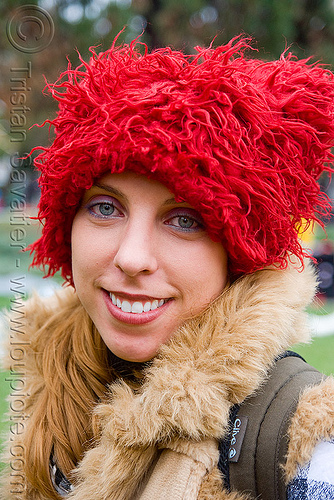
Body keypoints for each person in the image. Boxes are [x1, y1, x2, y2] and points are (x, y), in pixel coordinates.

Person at [1, 35, 334, 500]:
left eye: (184, 219)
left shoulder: (304, 442)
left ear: (238, 252)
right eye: (104, 208)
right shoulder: (49, 380)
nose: (132, 257)